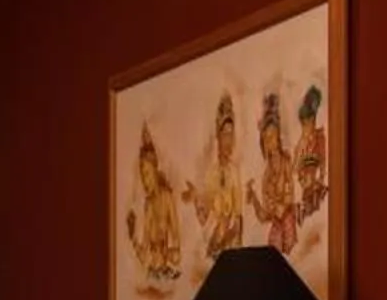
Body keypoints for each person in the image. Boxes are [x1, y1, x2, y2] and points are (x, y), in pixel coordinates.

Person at [183, 91, 244, 265]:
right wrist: (196, 199)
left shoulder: (234, 171)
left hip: (231, 243)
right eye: (225, 134)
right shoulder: (211, 173)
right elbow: (204, 219)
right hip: (214, 242)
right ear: (218, 136)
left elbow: (238, 217)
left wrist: (233, 240)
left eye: (231, 135)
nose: (229, 141)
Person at [124, 122, 183, 288]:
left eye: (147, 174)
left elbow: (177, 253)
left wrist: (167, 252)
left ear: (155, 171)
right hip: (154, 275)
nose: (145, 181)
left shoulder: (167, 199)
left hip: (167, 275)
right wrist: (132, 237)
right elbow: (145, 257)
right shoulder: (148, 205)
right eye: (142, 176)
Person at [246, 89, 297, 255]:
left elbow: (290, 194)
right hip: (277, 223)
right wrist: (253, 198)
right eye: (266, 139)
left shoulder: (286, 162)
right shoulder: (266, 177)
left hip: (288, 220)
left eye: (273, 136)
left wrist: (283, 206)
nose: (270, 142)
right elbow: (264, 215)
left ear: (279, 137)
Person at [296, 81, 329, 227]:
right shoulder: (301, 145)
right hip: (305, 187)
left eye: (307, 124)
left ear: (313, 121)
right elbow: (296, 168)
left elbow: (323, 162)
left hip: (316, 185)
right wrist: (302, 180)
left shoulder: (320, 138)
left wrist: (319, 179)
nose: (305, 129)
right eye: (303, 125)